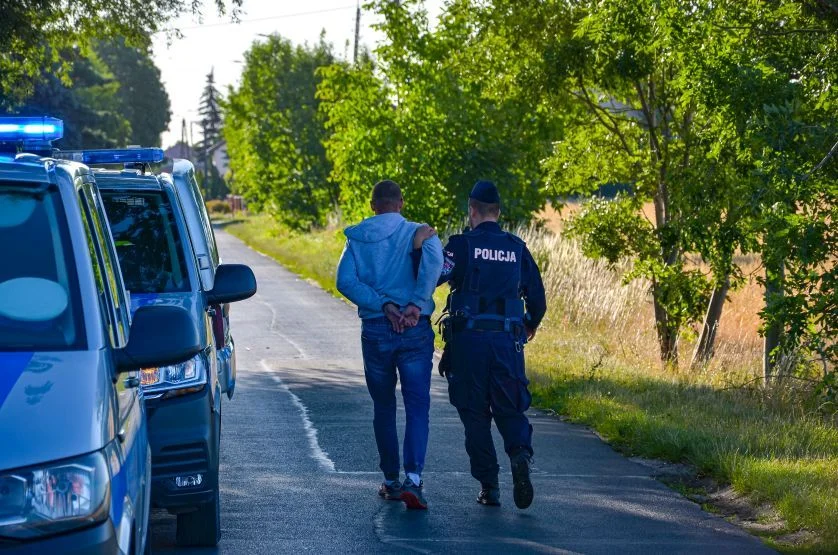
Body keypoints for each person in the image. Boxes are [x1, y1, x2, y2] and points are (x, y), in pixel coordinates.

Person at [412, 180, 546, 509]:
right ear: (498, 213)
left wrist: (418, 250)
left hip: (469, 342)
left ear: (472, 211)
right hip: (507, 342)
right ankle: (519, 454)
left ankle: (490, 486)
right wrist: (528, 324)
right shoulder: (517, 248)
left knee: (475, 414)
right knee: (510, 406)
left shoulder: (461, 245)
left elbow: (434, 275)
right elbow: (538, 299)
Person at [336, 180, 444, 510]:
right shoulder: (420, 232)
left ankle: (390, 480)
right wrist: (416, 302)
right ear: (401, 202)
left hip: (376, 329)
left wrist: (382, 304)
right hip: (414, 329)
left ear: (373, 205)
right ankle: (413, 478)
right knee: (417, 405)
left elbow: (344, 281)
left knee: (383, 406)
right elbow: (434, 261)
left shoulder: (356, 238)